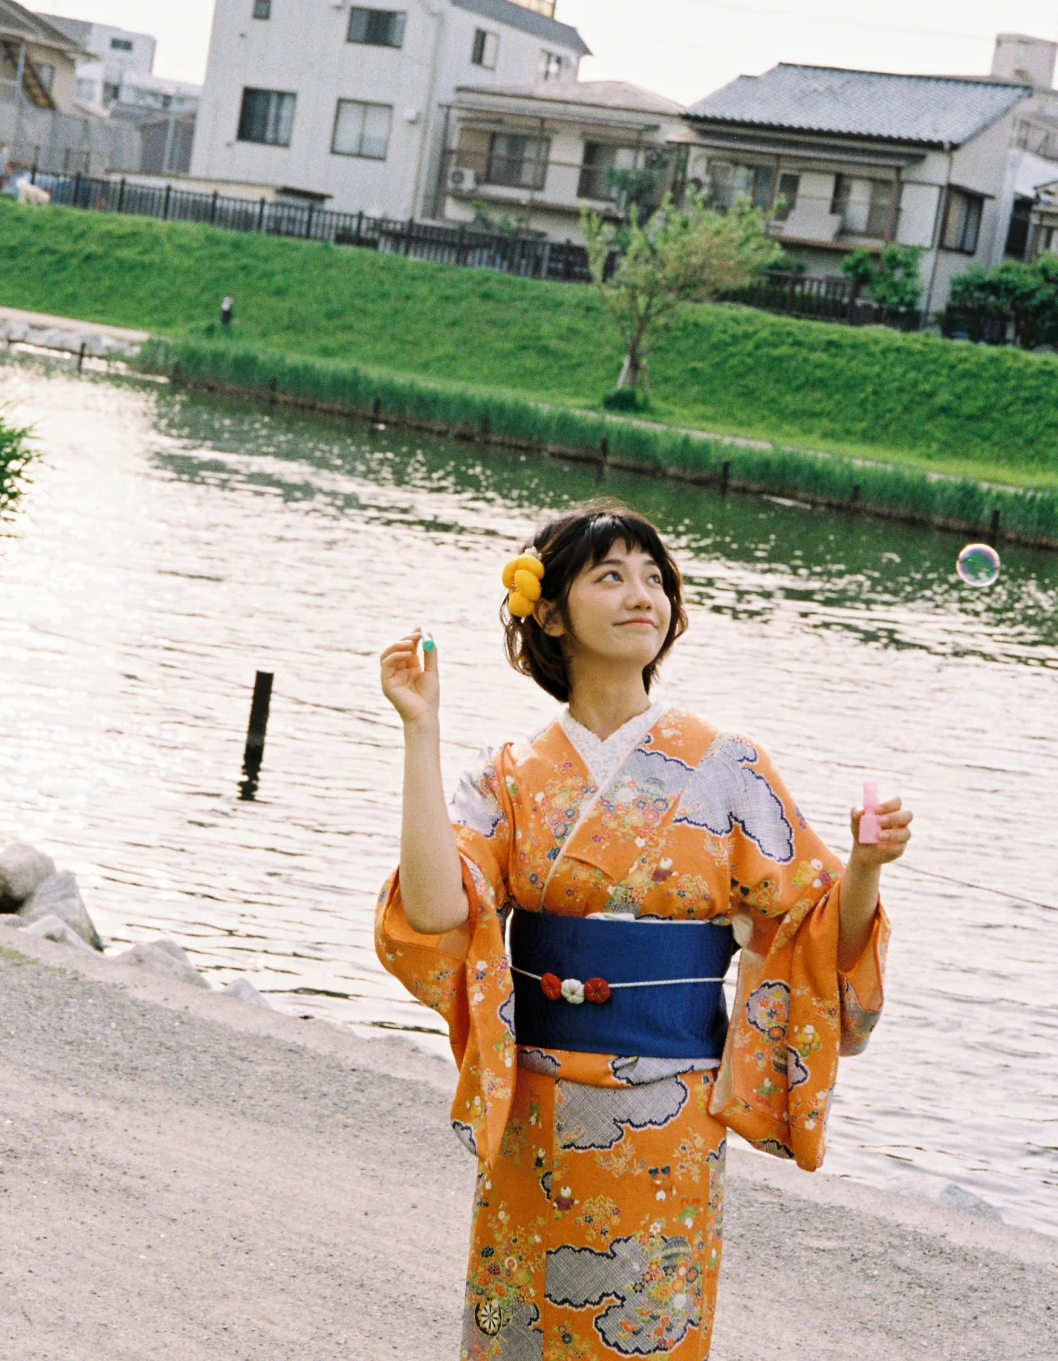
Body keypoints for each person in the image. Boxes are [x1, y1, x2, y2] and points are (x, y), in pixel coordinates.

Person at [377, 500, 910, 1360]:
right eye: (611, 575)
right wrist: (421, 731)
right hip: (538, 1114)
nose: (643, 595)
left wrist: (865, 868)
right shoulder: (509, 776)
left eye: (655, 577)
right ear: (549, 612)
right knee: (524, 1334)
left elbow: (812, 930)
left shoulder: (727, 764)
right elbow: (440, 915)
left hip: (670, 1114)